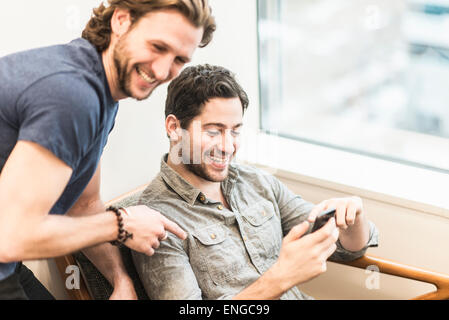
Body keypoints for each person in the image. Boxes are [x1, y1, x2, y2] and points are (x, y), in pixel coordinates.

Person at [0, 0, 216, 300]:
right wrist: (121, 224)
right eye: (157, 46)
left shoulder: (101, 95)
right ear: (121, 21)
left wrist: (120, 280)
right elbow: (9, 236)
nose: (163, 70)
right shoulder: (73, 96)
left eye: (179, 59)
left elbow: (83, 205)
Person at [131, 64, 379, 299]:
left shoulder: (255, 181)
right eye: (214, 131)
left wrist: (354, 215)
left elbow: (349, 250)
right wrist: (282, 277)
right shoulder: (156, 221)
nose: (229, 147)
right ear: (174, 127)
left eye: (235, 131)